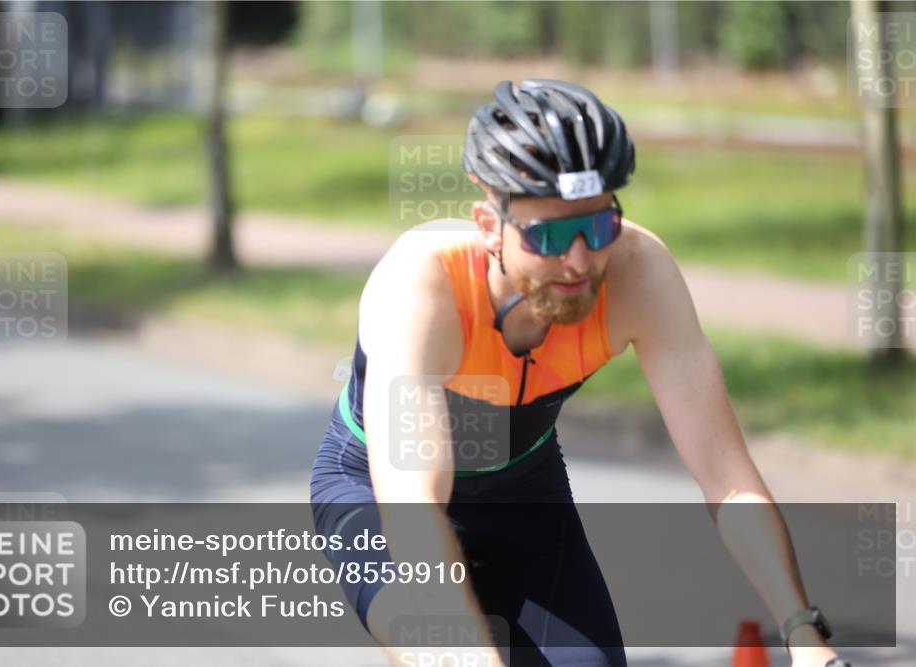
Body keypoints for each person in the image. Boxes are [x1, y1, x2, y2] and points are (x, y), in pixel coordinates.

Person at [311, 79, 849, 667]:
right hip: (377, 491)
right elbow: (415, 509)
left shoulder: (638, 272)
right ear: (489, 226)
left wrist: (804, 637)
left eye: (596, 228)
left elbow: (726, 476)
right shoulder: (422, 285)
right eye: (548, 235)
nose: (577, 262)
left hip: (523, 486)